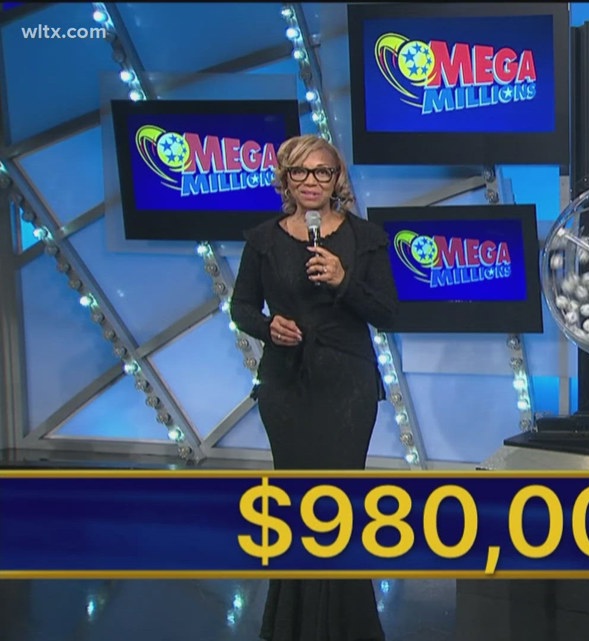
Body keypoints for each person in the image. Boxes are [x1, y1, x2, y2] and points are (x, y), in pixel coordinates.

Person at [229, 134, 397, 641]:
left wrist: (343, 280)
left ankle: (347, 626)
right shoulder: (263, 240)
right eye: (300, 172)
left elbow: (388, 312)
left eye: (322, 171)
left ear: (336, 179)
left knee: (337, 502)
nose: (311, 182)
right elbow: (241, 307)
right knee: (295, 503)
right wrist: (268, 327)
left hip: (347, 386)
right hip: (286, 386)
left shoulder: (365, 239)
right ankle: (291, 625)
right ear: (285, 179)